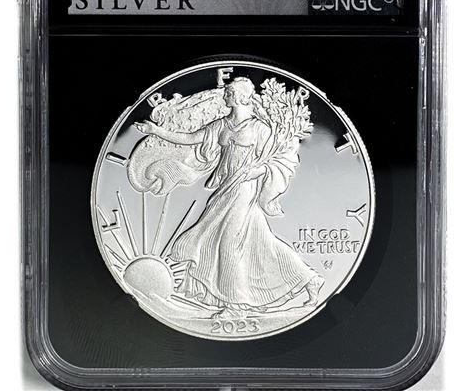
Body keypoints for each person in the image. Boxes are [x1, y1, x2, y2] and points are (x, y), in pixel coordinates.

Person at [136, 77, 323, 318]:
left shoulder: (260, 128)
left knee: (228, 243)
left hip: (245, 189)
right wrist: (155, 130)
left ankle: (235, 306)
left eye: (229, 92)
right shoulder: (221, 125)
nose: (225, 96)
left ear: (242, 97)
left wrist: (258, 170)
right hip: (226, 187)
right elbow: (190, 138)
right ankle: (309, 280)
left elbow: (278, 159)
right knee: (260, 243)